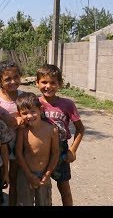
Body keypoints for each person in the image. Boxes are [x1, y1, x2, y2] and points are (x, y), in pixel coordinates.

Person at [36, 64, 85, 206]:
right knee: (40, 186)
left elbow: (80, 129)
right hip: (41, 150)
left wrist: (72, 150)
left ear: (60, 84)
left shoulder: (67, 104)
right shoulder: (35, 103)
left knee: (64, 187)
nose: (48, 86)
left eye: (53, 82)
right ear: (37, 83)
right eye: (44, 82)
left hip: (61, 150)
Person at [15, 92, 59, 206]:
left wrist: (47, 174)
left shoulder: (52, 130)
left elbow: (55, 153)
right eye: (24, 113)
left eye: (33, 111)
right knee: (24, 203)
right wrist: (29, 175)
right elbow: (18, 153)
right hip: (25, 174)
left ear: (41, 110)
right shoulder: (22, 131)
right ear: (19, 114)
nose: (29, 116)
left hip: (44, 175)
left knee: (44, 202)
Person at [0, 60, 25, 206]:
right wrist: (3, 117)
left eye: (16, 77)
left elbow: (35, 114)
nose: (13, 81)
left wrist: (22, 118)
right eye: (7, 79)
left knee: (14, 178)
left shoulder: (24, 97)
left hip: (19, 146)